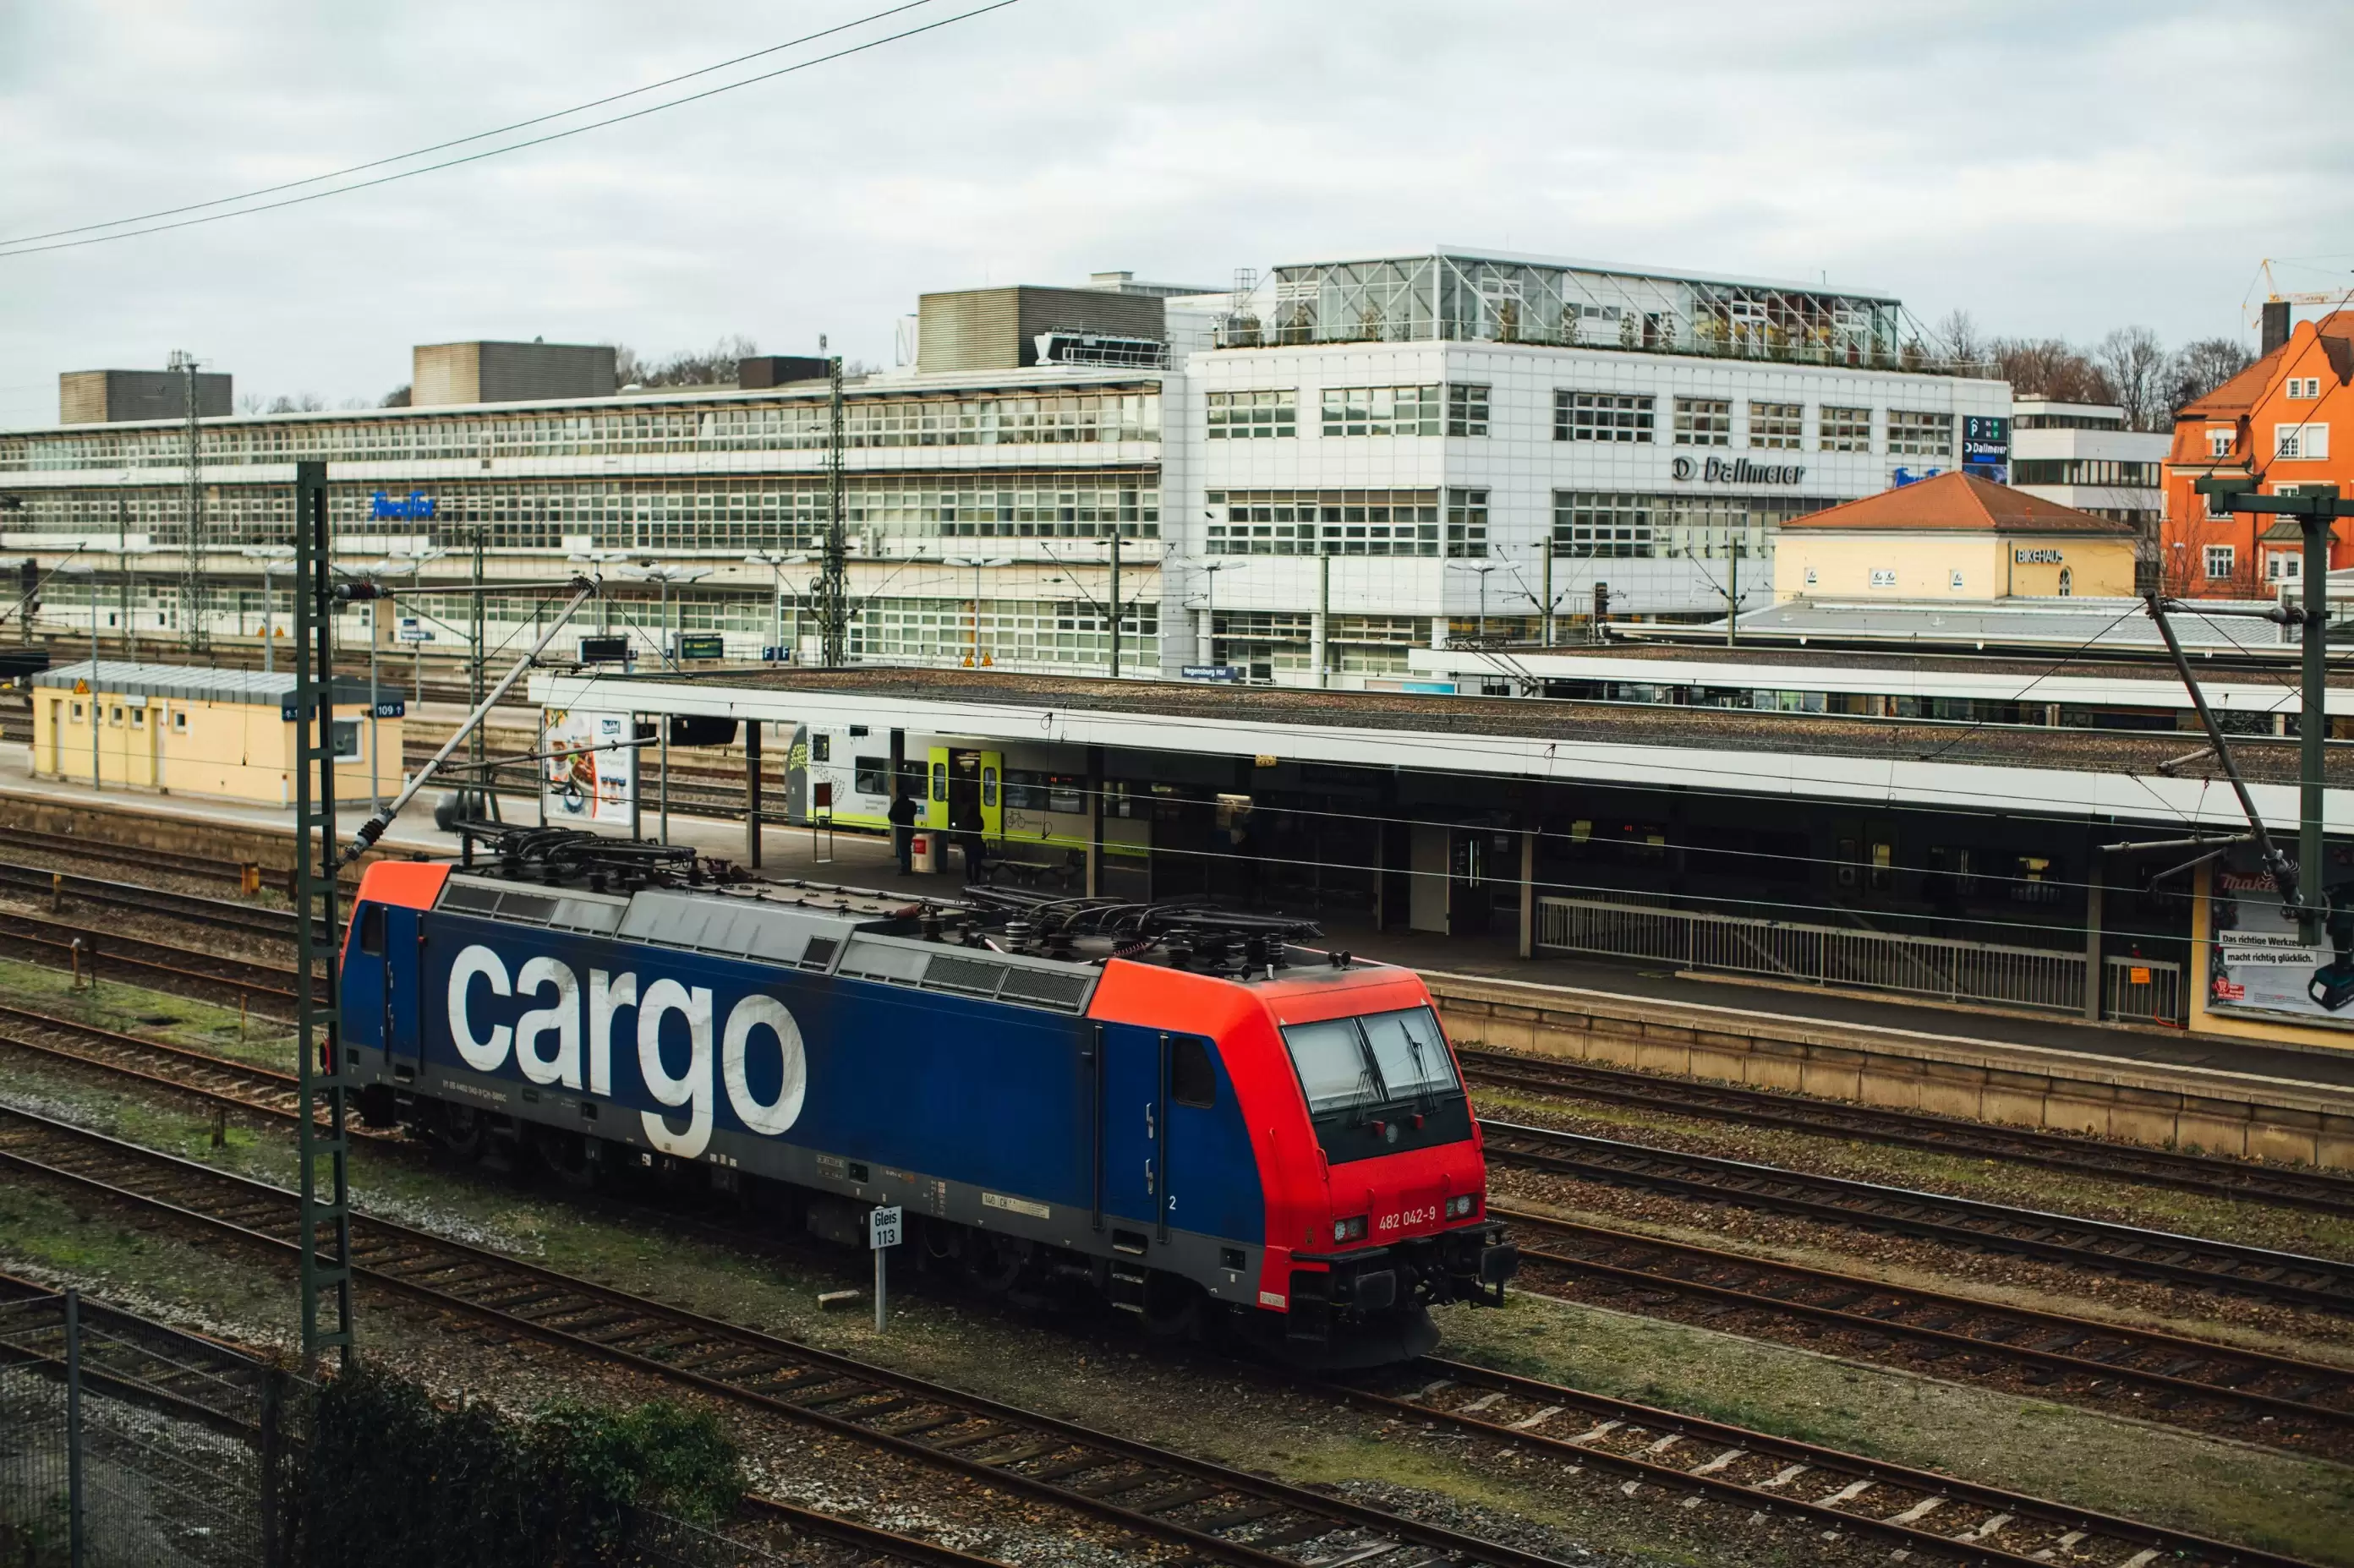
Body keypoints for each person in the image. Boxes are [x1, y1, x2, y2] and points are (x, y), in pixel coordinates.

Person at [888, 789, 919, 876]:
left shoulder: (898, 804)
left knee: (902, 849)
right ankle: (909, 867)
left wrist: (897, 820)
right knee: (908, 849)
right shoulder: (912, 804)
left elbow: (891, 816)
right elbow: (914, 812)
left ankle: (904, 869)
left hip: (901, 829)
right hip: (910, 829)